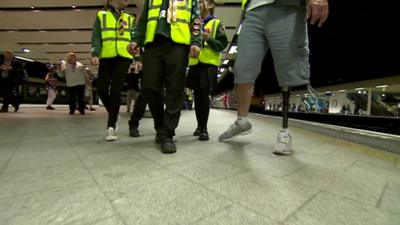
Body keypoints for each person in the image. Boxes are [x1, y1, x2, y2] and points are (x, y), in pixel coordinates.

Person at [218, 0, 329, 155]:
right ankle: (241, 121)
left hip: (287, 7)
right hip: (253, 10)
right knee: (242, 69)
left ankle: (285, 132)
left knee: (287, 68)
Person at [132, 0, 202, 153]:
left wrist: (196, 42)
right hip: (153, 45)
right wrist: (136, 40)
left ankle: (167, 133)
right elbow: (143, 21)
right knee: (149, 87)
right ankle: (160, 125)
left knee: (175, 90)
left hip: (178, 45)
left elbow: (195, 22)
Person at [91, 0, 136, 141]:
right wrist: (95, 53)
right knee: (101, 89)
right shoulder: (102, 15)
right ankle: (114, 114)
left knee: (116, 91)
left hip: (124, 57)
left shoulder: (129, 18)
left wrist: (138, 57)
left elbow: (134, 38)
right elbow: (96, 35)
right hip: (106, 56)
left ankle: (111, 128)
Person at [187, 0, 228, 141]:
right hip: (194, 64)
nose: (198, 4)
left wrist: (209, 39)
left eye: (201, 2)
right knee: (197, 97)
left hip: (208, 64)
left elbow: (222, 44)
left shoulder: (217, 24)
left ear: (210, 6)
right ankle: (200, 126)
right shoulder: (194, 24)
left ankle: (204, 128)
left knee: (203, 96)